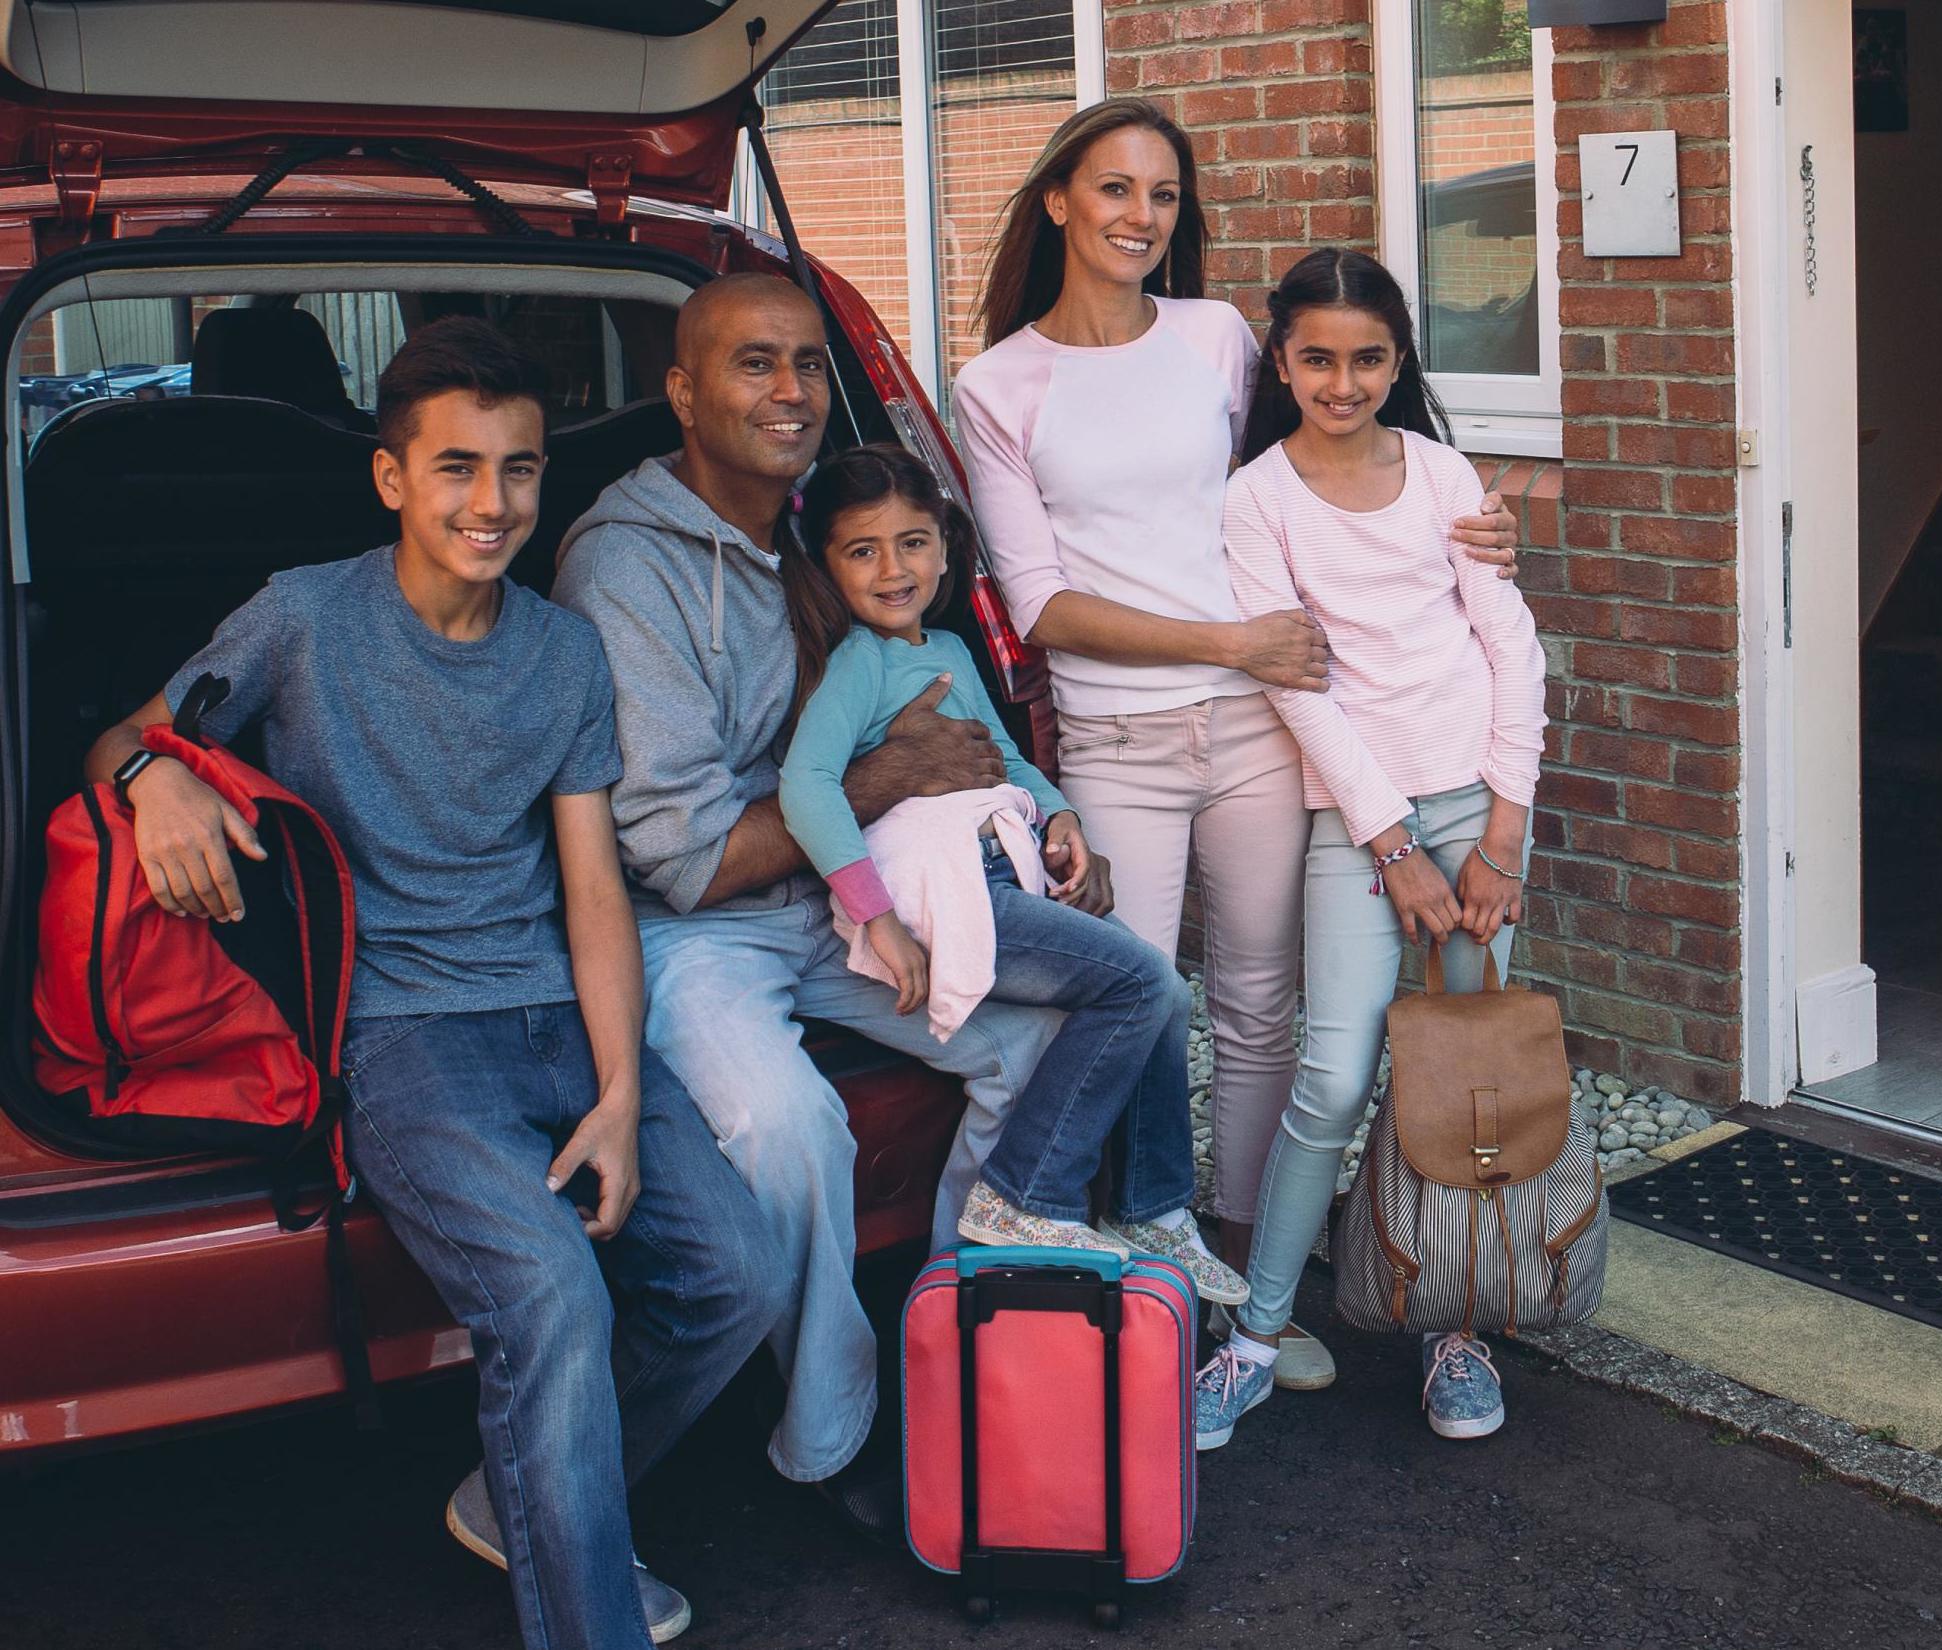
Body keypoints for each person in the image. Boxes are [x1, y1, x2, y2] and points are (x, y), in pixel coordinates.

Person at [86, 319, 785, 1649]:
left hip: (551, 1019)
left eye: (519, 469)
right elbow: (133, 727)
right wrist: (152, 773)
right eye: (456, 466)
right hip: (405, 1034)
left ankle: (519, 1497)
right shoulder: (303, 617)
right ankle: (585, 1608)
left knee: (737, 1274)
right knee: (553, 1296)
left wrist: (625, 1093)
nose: (492, 502)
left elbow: (590, 888)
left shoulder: (564, 652)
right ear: (391, 478)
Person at [952, 97, 1522, 1388]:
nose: (1138, 217)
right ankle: (1148, 1272)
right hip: (1121, 736)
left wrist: (1479, 536)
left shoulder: (1215, 340)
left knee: (1261, 1008)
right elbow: (1040, 604)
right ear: (1058, 201)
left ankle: (1238, 1272)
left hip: (1267, 734)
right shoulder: (996, 384)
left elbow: (1344, 463)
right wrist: (1228, 645)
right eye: (1112, 189)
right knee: (1138, 997)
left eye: (1161, 194)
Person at [553, 274, 1053, 1523]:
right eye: (753, 366)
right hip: (693, 932)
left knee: (1032, 1045)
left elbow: (944, 713)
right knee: (790, 1129)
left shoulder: (829, 529)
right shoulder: (624, 569)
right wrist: (882, 780)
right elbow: (682, 860)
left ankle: (950, 1340)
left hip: (840, 895)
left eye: (809, 367)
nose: (791, 393)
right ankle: (831, 1420)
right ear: (681, 393)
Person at [1191, 249, 1548, 1449]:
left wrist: (1502, 833)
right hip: (1360, 824)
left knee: (1470, 1086)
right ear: (1281, 362)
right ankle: (1253, 1336)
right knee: (1335, 1076)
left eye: (1369, 359)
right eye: (1317, 359)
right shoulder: (1258, 498)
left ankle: (1460, 1331)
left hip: (1478, 812)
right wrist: (1390, 841)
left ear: (1399, 360)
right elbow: (1300, 688)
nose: (1343, 383)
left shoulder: (1446, 476)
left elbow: (1513, 652)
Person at [775, 443, 1244, 1297]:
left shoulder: (948, 645)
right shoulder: (858, 664)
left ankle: (1150, 1207)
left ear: (947, 549)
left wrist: (1060, 812)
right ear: (826, 565)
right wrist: (874, 915)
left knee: (1165, 990)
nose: (893, 568)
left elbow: (1004, 762)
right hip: (937, 892)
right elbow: (804, 785)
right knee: (1137, 980)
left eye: (912, 542)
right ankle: (1025, 1191)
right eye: (862, 550)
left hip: (996, 875)